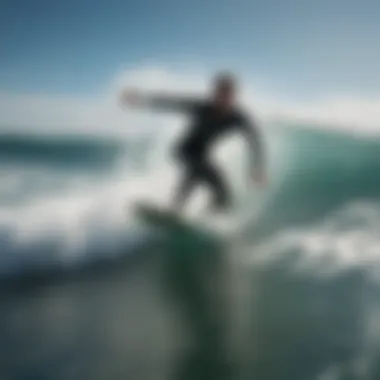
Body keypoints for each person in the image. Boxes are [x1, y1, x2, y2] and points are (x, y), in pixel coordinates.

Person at [120, 72, 267, 214]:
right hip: (185, 150)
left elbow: (254, 141)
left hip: (203, 155)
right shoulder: (202, 108)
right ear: (214, 93)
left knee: (223, 193)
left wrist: (257, 167)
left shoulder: (238, 117)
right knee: (198, 170)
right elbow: (171, 103)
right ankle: (175, 209)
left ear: (234, 96)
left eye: (228, 94)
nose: (223, 98)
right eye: (220, 93)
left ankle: (209, 215)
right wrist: (140, 99)